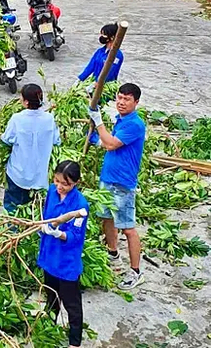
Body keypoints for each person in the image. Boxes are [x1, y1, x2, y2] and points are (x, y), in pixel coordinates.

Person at [87, 83, 146, 290]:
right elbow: (108, 144)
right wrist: (96, 138)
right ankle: (113, 253)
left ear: (136, 102)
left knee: (128, 228)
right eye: (119, 98)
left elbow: (112, 144)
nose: (121, 102)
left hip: (122, 183)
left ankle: (136, 271)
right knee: (106, 218)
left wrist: (98, 120)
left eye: (127, 99)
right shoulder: (120, 121)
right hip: (108, 178)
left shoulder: (134, 124)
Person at [37, 160, 89, 348]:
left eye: (65, 184)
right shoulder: (51, 192)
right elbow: (45, 215)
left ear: (76, 183)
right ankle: (48, 328)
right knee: (51, 297)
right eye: (57, 181)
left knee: (72, 304)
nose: (59, 186)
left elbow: (76, 236)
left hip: (66, 261)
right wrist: (42, 227)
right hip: (50, 255)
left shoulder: (80, 205)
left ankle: (74, 342)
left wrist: (59, 233)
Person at [1, 84, 61, 214]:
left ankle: (12, 232)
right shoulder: (50, 119)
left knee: (13, 209)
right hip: (40, 176)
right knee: (35, 211)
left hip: (18, 174)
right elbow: (57, 141)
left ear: (26, 102)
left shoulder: (17, 119)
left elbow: (6, 140)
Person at [76, 23, 124, 87]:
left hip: (106, 86)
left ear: (112, 37)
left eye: (104, 35)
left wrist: (98, 83)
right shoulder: (100, 51)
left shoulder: (117, 55)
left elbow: (110, 72)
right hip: (94, 82)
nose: (101, 36)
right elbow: (90, 66)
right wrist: (80, 79)